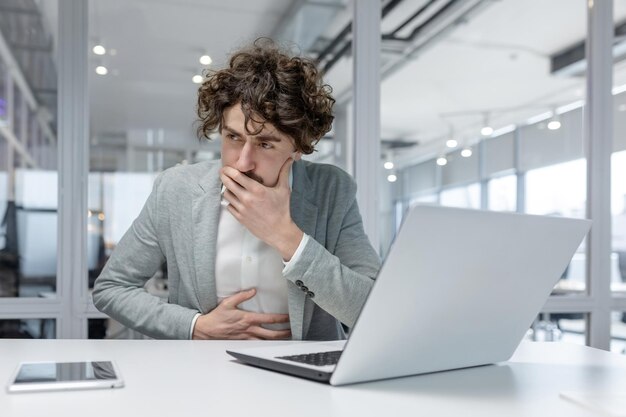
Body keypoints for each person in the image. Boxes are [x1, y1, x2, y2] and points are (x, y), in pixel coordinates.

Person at [92, 39, 381, 340]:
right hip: (203, 374)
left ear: (298, 147)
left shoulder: (331, 190)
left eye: (265, 144)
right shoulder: (175, 189)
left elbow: (373, 311)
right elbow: (111, 288)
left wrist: (286, 237)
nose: (243, 162)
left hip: (303, 378)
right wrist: (194, 326)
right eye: (233, 137)